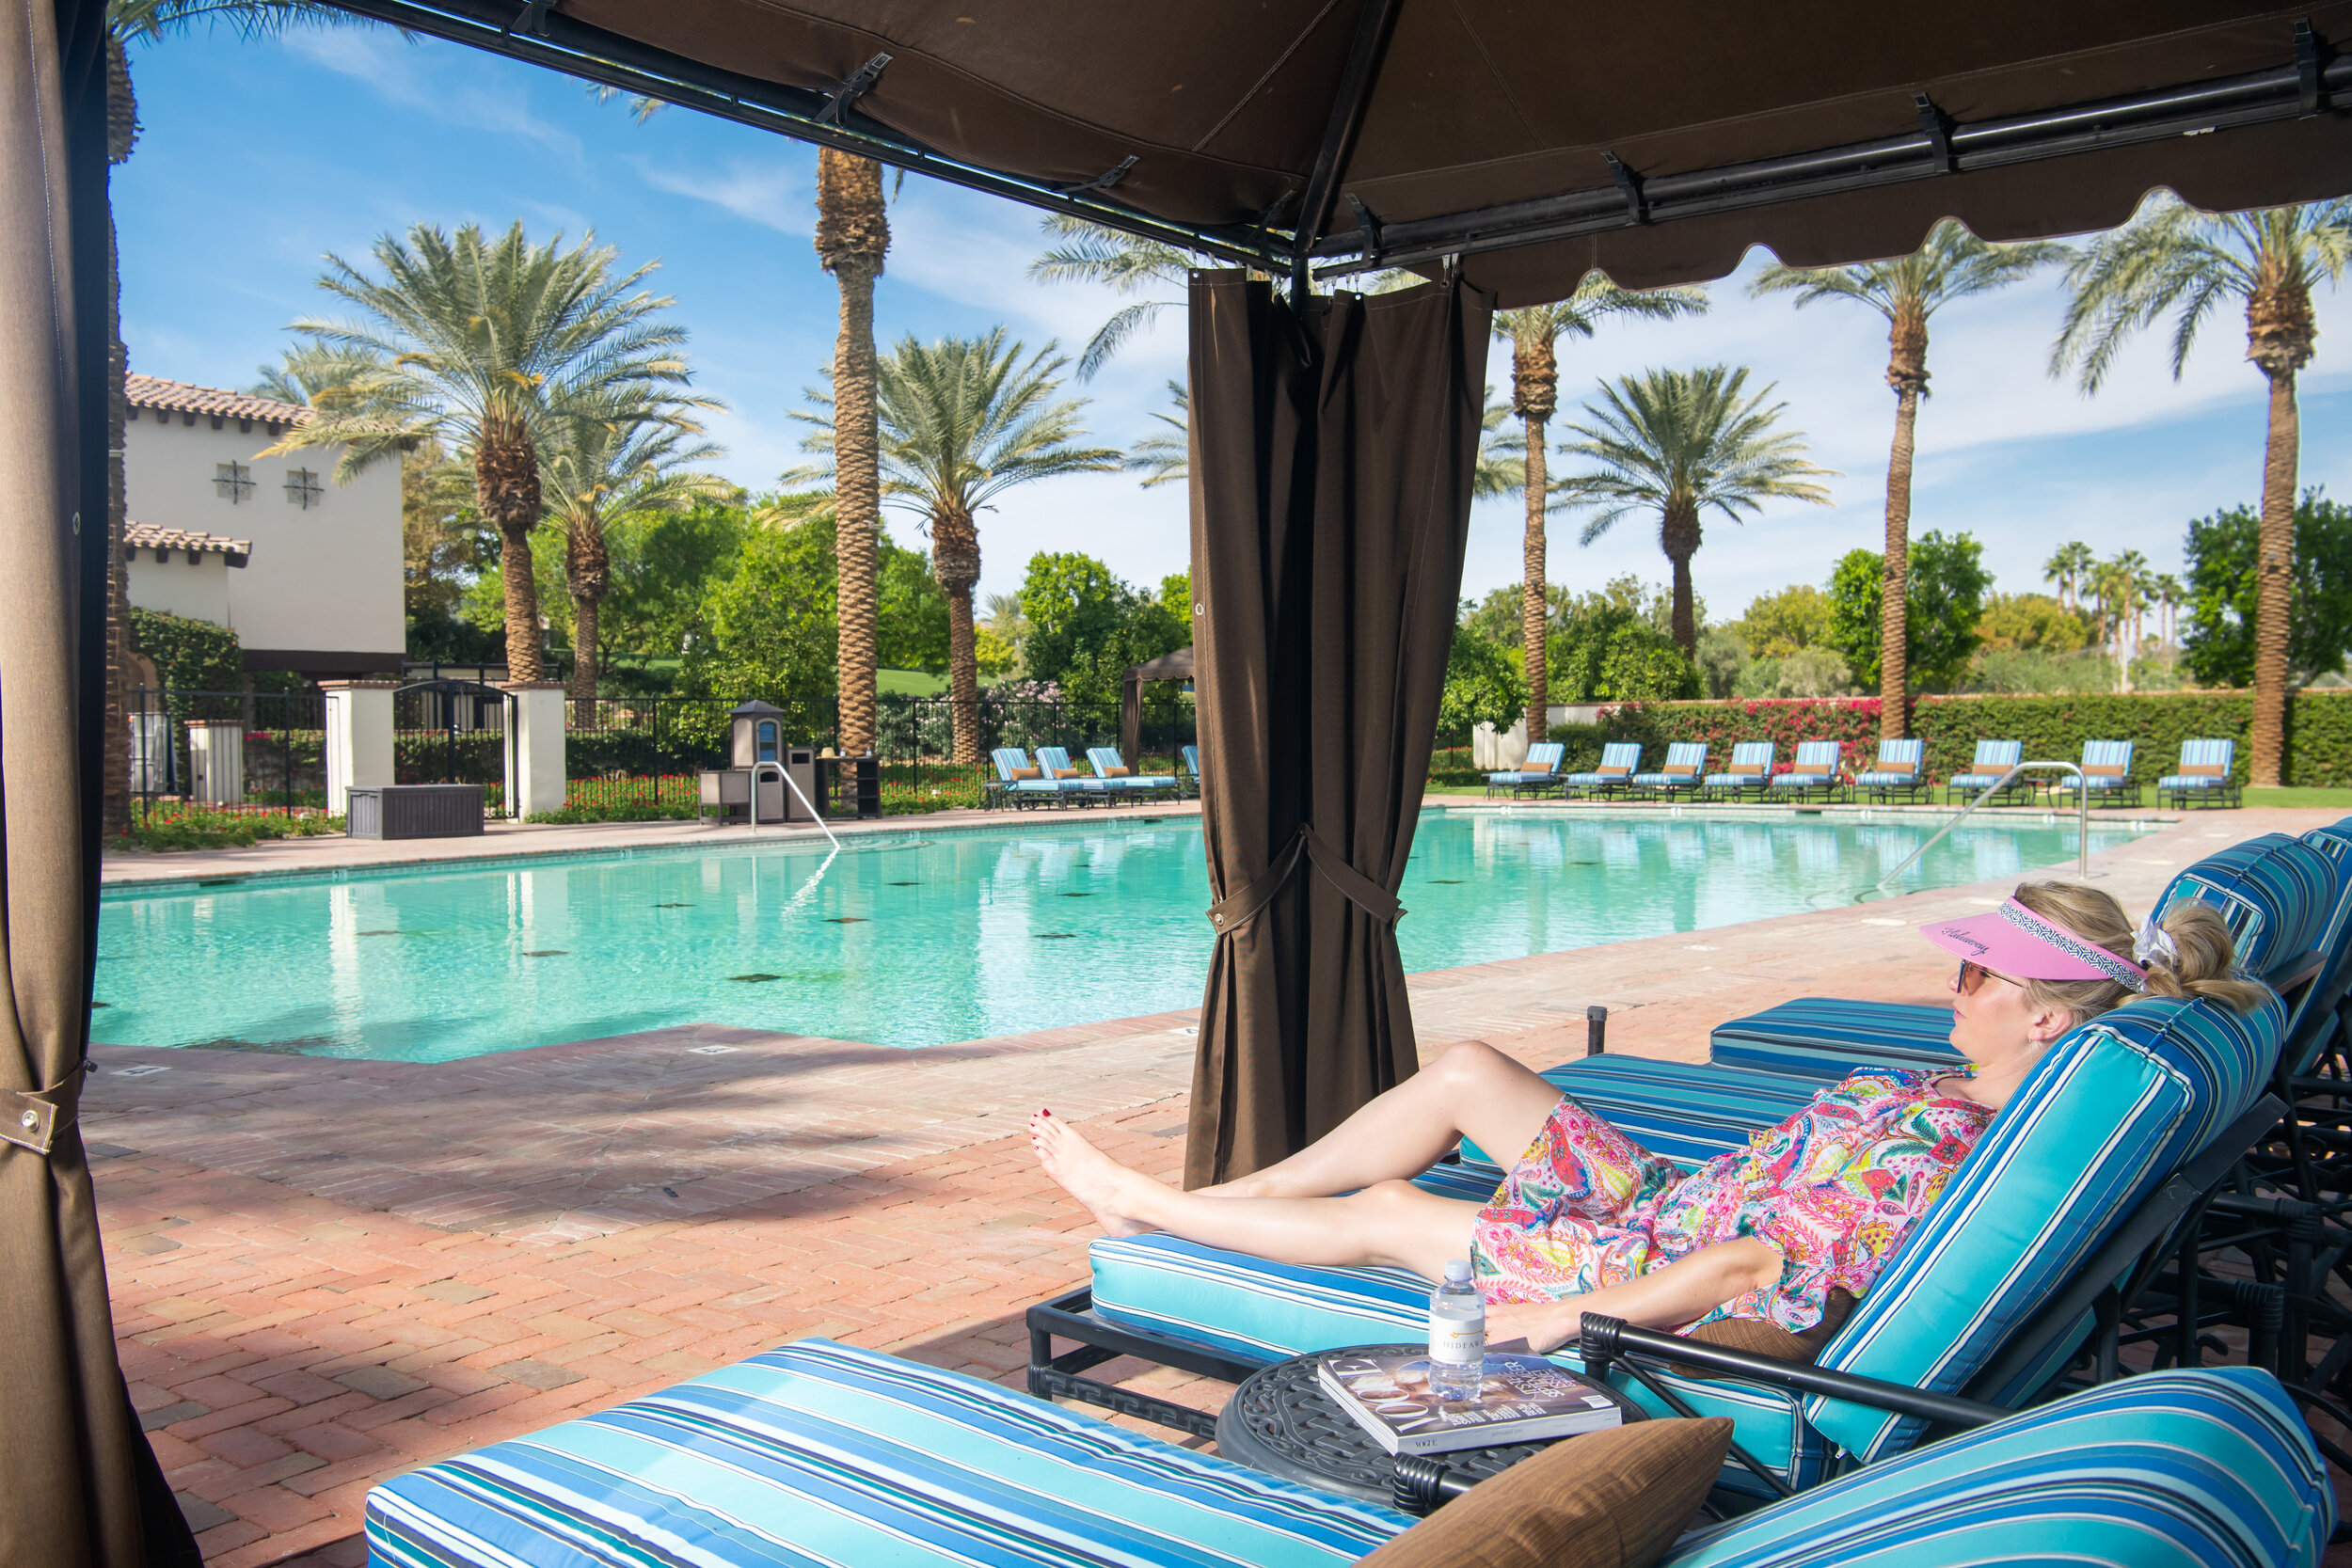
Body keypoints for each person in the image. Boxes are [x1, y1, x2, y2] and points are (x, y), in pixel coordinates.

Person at [1031, 880, 2266, 1354]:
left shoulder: (1943, 1157)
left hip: (1653, 1261)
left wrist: (1569, 1316)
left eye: (1982, 975)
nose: (1956, 983)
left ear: (2047, 1018)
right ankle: (1219, 1206)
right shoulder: (1952, 1095)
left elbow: (1773, 1279)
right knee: (1465, 1067)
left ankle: (1148, 1207)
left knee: (1397, 1214)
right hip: (1660, 1199)